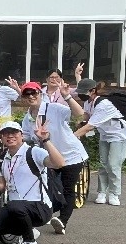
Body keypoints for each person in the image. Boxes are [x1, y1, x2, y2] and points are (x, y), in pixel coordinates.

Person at [0, 121, 66, 244]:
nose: (10, 136)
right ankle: (28, 231)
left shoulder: (33, 152)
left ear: (21, 135)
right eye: (5, 134)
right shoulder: (4, 159)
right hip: (17, 209)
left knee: (16, 206)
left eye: (14, 133)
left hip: (40, 207)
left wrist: (45, 140)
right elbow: (2, 187)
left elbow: (59, 163)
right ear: (1, 138)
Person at [20, 80, 87, 233]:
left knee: (67, 189)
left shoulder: (53, 108)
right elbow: (25, 137)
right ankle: (45, 214)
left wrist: (67, 96)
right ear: (24, 98)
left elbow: (79, 114)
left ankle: (62, 221)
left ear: (40, 93)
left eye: (34, 93)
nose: (31, 97)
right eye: (27, 94)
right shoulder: (27, 118)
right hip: (51, 158)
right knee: (49, 187)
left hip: (72, 155)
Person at [73, 79, 126, 206]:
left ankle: (114, 193)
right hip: (105, 135)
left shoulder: (104, 105)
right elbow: (86, 116)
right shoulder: (88, 102)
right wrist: (79, 123)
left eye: (84, 92)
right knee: (104, 163)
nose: (81, 95)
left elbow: (90, 126)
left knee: (113, 164)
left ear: (93, 91)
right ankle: (102, 192)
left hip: (119, 135)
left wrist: (71, 137)